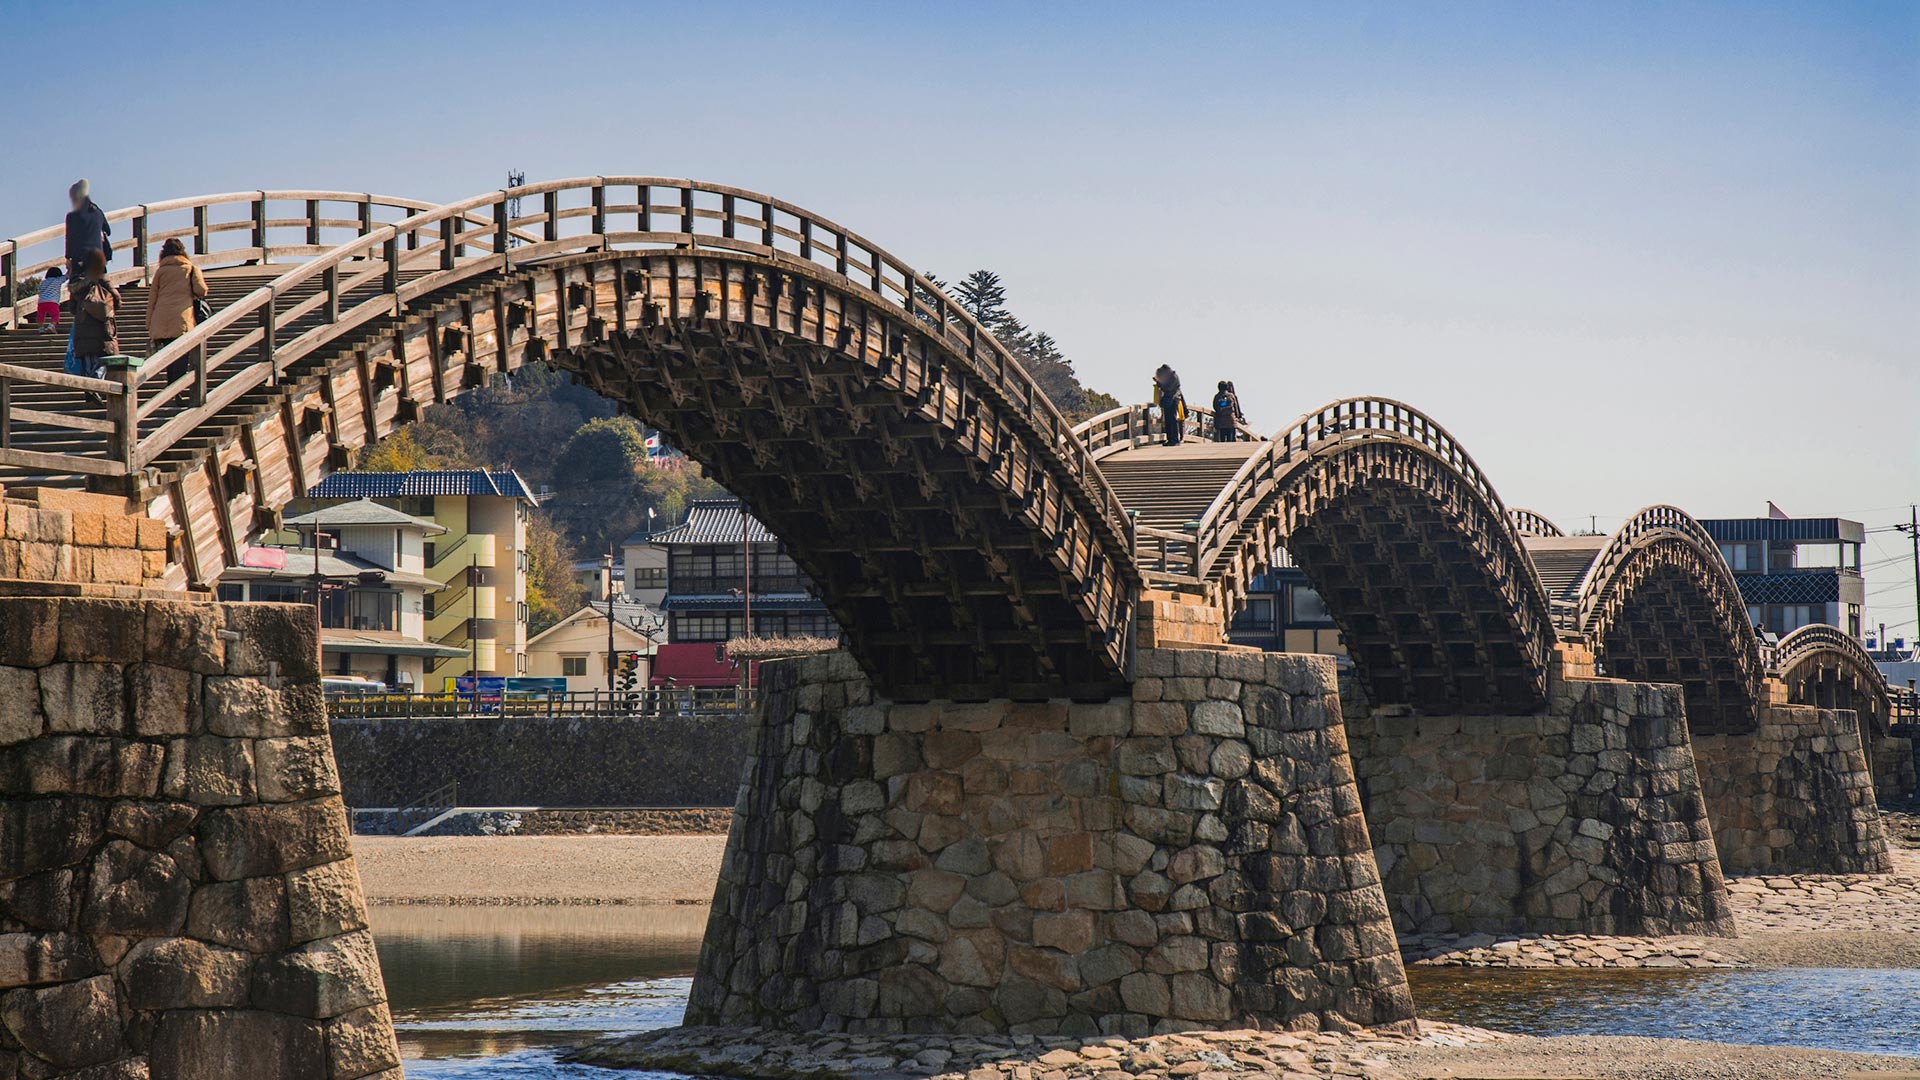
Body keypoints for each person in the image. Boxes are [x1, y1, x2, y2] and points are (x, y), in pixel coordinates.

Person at [147, 238, 208, 382]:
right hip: (182, 318)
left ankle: (171, 385)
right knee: (181, 355)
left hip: (162, 319)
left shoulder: (160, 271)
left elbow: (152, 299)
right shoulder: (190, 268)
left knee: (169, 356)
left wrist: (149, 323)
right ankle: (176, 387)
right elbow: (201, 290)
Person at [68, 250, 119, 382]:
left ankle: (90, 385)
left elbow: (72, 308)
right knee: (101, 361)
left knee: (87, 362)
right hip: (102, 328)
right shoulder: (103, 278)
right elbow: (117, 300)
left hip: (83, 328)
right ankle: (96, 381)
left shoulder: (77, 283)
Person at [1152, 364, 1185, 446]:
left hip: (1173, 399)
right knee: (1168, 420)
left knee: (1172, 419)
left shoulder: (1173, 377)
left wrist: (1159, 383)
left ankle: (1175, 439)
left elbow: (1168, 388)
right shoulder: (1171, 376)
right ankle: (1170, 439)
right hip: (1169, 399)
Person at [35, 267, 65, 333]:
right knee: (55, 315)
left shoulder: (43, 282)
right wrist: (70, 269)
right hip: (52, 301)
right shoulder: (58, 280)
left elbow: (39, 291)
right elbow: (67, 276)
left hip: (41, 302)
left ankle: (41, 328)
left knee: (40, 316)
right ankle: (51, 326)